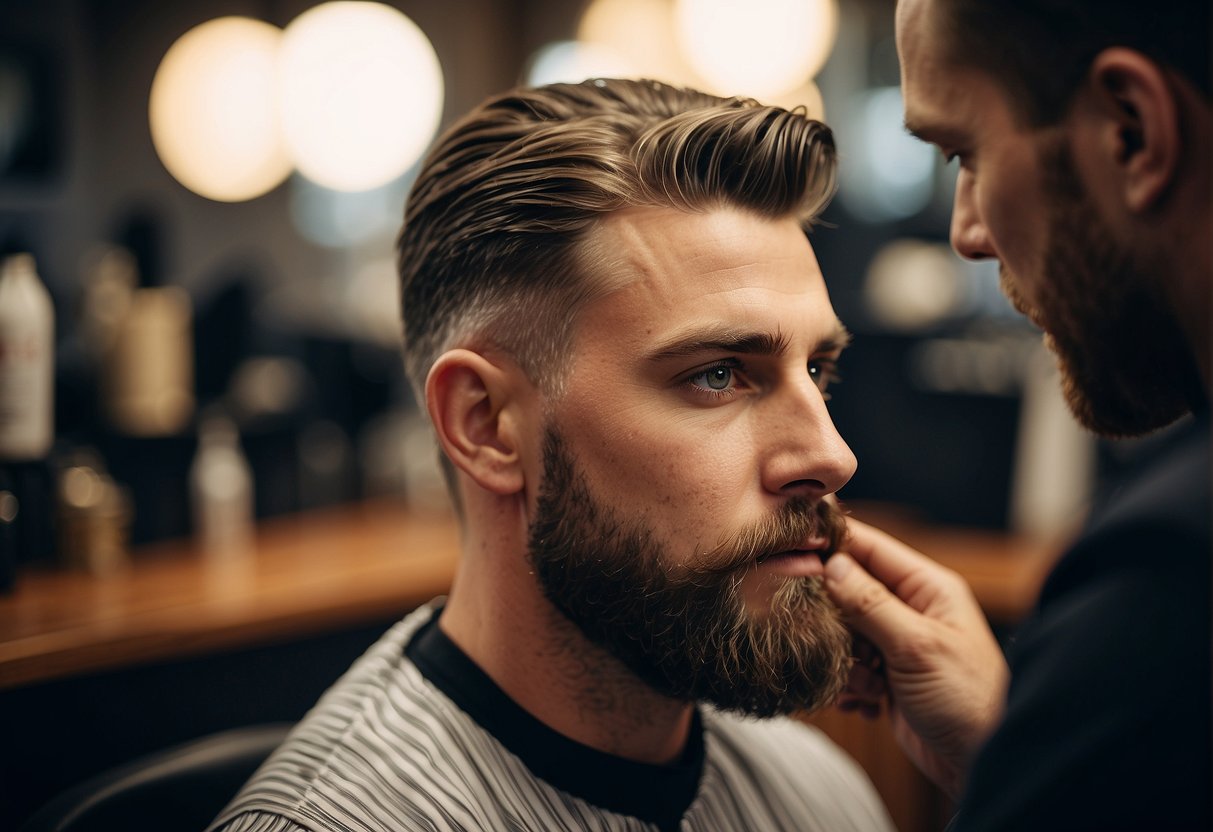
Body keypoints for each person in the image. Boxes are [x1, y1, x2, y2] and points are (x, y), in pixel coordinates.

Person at [208, 79, 895, 832]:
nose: (832, 457)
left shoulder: (825, 797)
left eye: (817, 371)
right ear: (486, 424)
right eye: (717, 374)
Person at [824, 0, 1211, 828]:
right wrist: (1025, 755)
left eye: (966, 152)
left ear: (1132, 132)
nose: (965, 231)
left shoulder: (1171, 580)